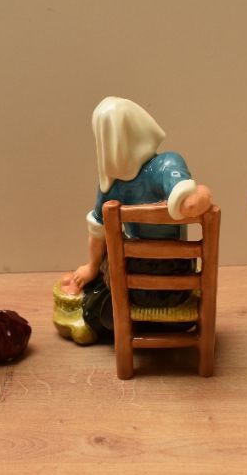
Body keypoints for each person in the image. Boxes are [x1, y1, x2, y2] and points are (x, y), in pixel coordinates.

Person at [61, 97, 212, 337]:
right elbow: (187, 199)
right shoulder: (167, 164)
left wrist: (91, 267)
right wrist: (201, 193)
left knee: (101, 283)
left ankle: (125, 319)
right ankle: (163, 322)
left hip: (129, 288)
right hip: (177, 285)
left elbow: (97, 233)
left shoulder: (110, 187)